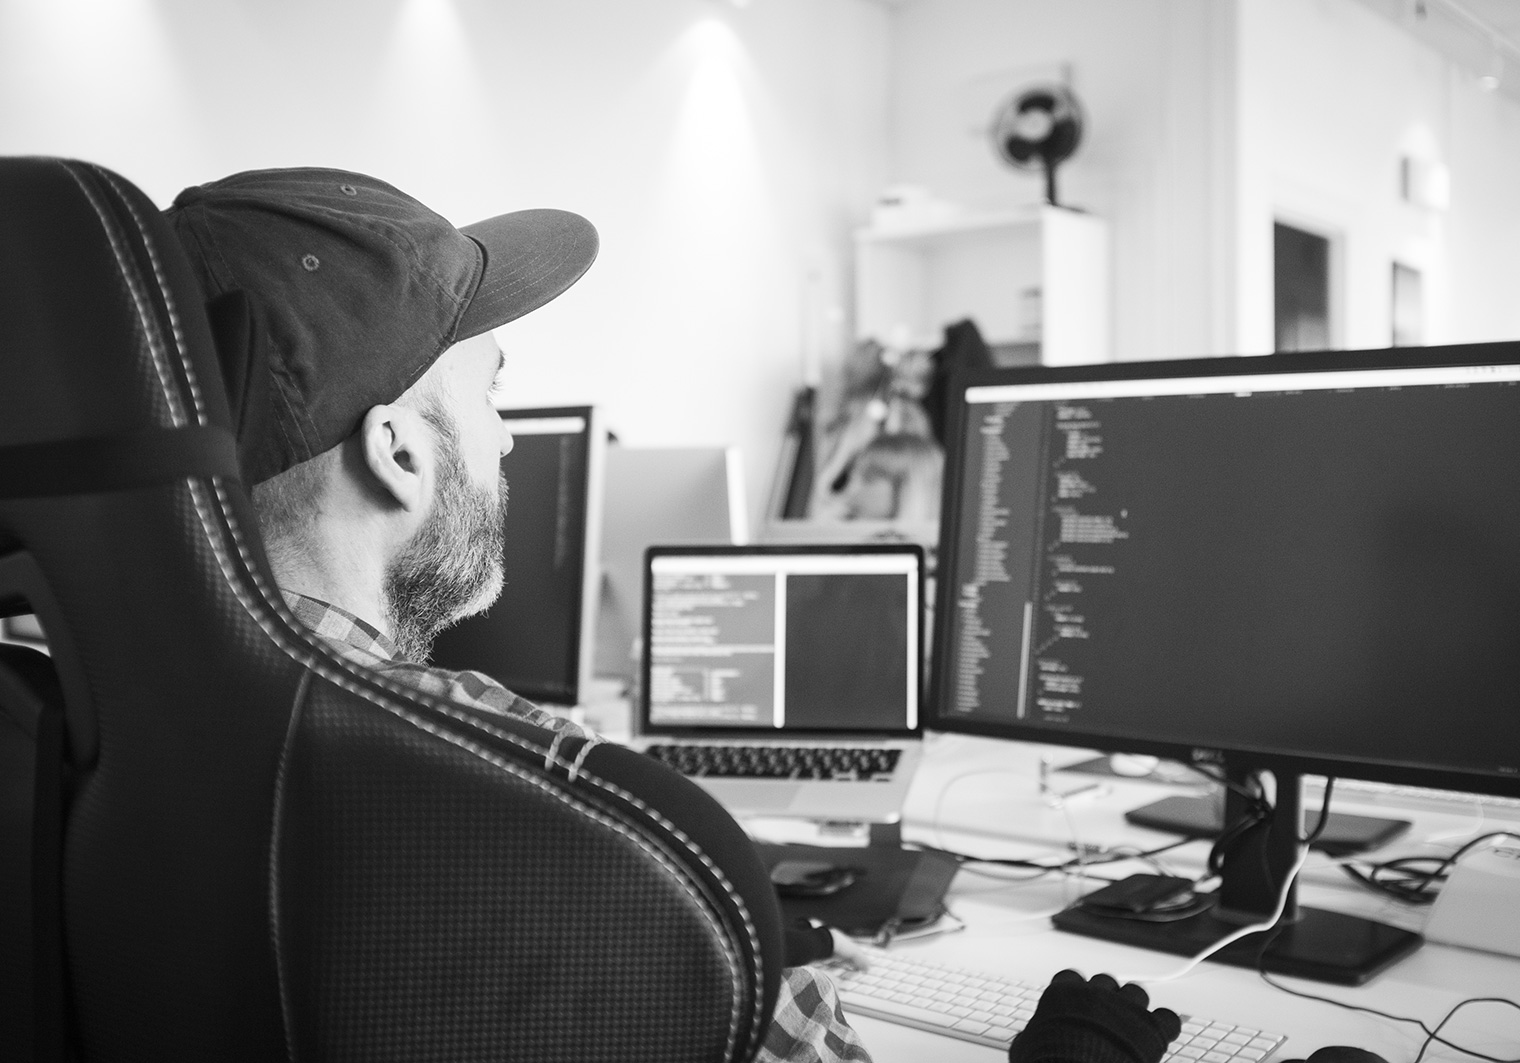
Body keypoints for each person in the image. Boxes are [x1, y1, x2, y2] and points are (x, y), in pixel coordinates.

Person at [165, 166, 1188, 1063]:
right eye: (490, 396)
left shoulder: (102, 721)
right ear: (398, 452)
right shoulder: (531, 793)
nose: (508, 441)